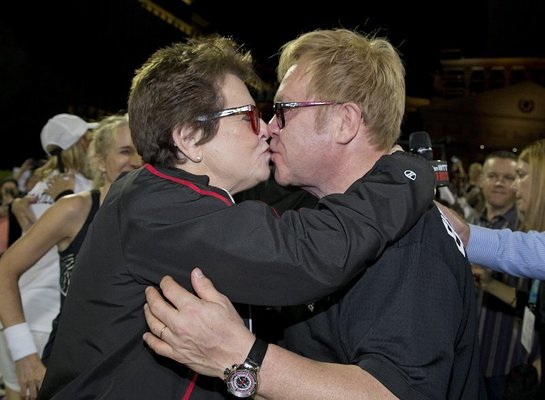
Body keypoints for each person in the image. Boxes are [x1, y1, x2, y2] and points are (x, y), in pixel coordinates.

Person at [37, 34, 435, 400]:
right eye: (248, 115)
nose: (265, 128)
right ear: (190, 138)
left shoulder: (172, 200)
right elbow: (305, 254)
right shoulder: (157, 208)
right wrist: (409, 174)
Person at [141, 29, 484, 399]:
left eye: (284, 112)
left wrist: (243, 358)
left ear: (344, 122)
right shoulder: (328, 216)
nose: (270, 128)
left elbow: (393, 393)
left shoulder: (411, 240)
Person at [0, 113, 96, 400]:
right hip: (48, 317)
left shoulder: (37, 188)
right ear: (82, 144)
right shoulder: (84, 192)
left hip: (13, 315)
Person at [469, 150, 532, 400]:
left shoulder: (527, 233)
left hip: (506, 364)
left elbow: (533, 302)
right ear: (481, 180)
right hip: (465, 360)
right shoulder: (470, 224)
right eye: (492, 175)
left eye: (508, 177)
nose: (499, 183)